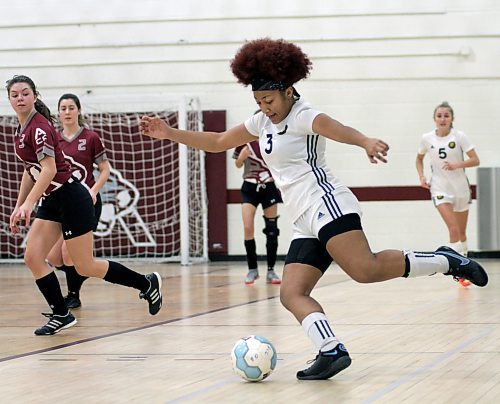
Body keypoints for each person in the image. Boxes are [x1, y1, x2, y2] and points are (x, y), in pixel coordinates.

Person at [140, 38, 488, 380]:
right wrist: (170, 133)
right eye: (259, 101)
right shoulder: (260, 123)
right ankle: (330, 350)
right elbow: (217, 142)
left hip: (326, 203)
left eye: (269, 99)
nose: (265, 107)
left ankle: (447, 260)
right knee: (291, 293)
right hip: (304, 218)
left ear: (288, 90)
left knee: (364, 270)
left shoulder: (306, 115)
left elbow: (339, 130)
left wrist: (366, 141)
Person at [7, 75, 163, 336]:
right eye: (15, 95)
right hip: (52, 200)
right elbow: (29, 171)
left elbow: (48, 169)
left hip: (71, 197)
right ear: (9, 99)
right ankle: (61, 313)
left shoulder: (40, 127)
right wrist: (19, 204)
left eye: (25, 93)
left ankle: (146, 284)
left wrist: (29, 204)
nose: (20, 98)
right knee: (33, 257)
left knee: (84, 265)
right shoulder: (22, 129)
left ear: (35, 95)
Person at [46, 93, 111, 308]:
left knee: (67, 251)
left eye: (71, 107)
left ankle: (73, 293)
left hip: (86, 201)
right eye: (63, 108)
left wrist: (93, 190)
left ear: (79, 110)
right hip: (63, 202)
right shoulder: (54, 138)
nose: (67, 112)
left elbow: (105, 170)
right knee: (54, 256)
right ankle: (82, 272)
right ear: (58, 112)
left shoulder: (90, 137)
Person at [416, 101, 480, 287]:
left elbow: (475, 160)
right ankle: (459, 271)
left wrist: (457, 165)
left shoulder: (459, 137)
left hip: (460, 188)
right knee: (452, 229)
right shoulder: (427, 138)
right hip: (439, 188)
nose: (442, 119)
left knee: (461, 232)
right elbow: (419, 159)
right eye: (439, 115)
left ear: (452, 119)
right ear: (434, 119)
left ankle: (465, 260)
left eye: (446, 115)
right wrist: (421, 176)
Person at [233, 139, 282, 285]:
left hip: (269, 188)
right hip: (249, 188)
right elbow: (237, 164)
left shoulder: (274, 140)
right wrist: (241, 158)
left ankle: (271, 270)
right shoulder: (244, 142)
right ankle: (252, 269)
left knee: (272, 229)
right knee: (248, 228)